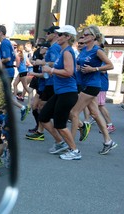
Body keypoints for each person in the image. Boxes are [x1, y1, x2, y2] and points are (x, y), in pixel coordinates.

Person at [70, 25, 117, 155]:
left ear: (93, 37)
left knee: (74, 112)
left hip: (92, 85)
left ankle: (71, 147)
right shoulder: (84, 49)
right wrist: (78, 68)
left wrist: (94, 69)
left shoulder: (97, 51)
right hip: (83, 84)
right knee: (95, 114)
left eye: (85, 35)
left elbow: (110, 65)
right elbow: (80, 64)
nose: (83, 37)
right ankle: (108, 141)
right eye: (82, 35)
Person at [39, 25, 81, 160]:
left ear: (68, 37)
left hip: (68, 93)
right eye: (57, 34)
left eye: (60, 34)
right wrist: (49, 66)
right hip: (61, 92)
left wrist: (50, 71)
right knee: (44, 117)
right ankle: (60, 143)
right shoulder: (63, 52)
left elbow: (69, 72)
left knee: (60, 124)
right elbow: (64, 68)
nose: (57, 36)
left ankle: (75, 151)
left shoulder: (68, 52)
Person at [0, 25, 29, 121]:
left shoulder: (4, 43)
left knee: (4, 93)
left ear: (1, 33)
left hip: (7, 71)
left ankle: (21, 108)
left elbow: (8, 58)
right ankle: (6, 113)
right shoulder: (7, 43)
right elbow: (14, 57)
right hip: (8, 70)